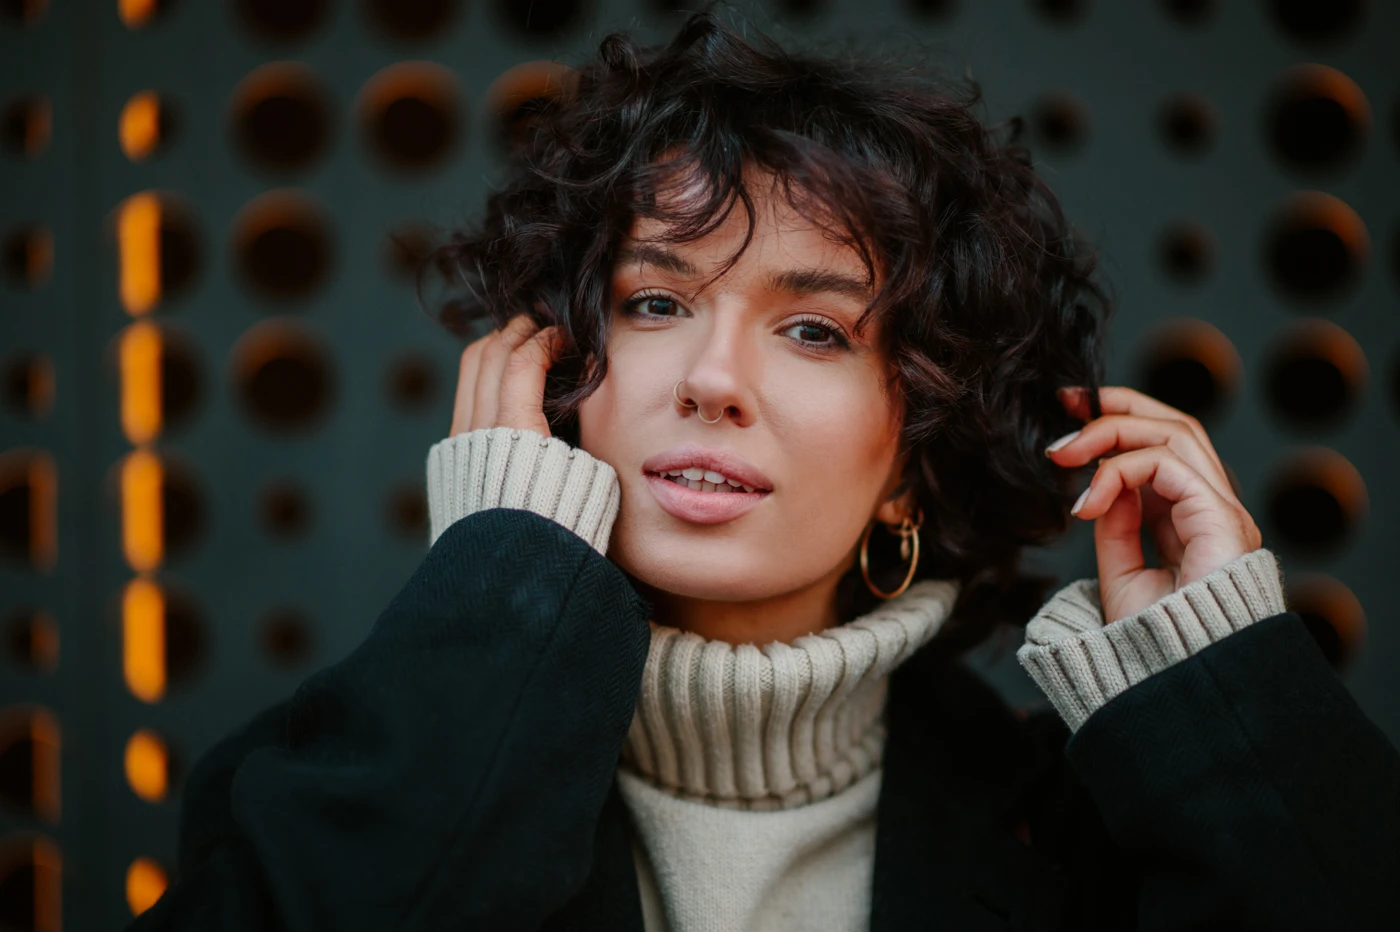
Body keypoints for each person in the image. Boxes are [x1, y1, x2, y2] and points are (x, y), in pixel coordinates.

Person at [128, 9, 1400, 931]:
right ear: (559, 372)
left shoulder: (1068, 844)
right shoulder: (328, 773)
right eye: (653, 300)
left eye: (812, 327)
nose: (710, 376)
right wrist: (502, 583)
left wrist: (1222, 687)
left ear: (916, 450)